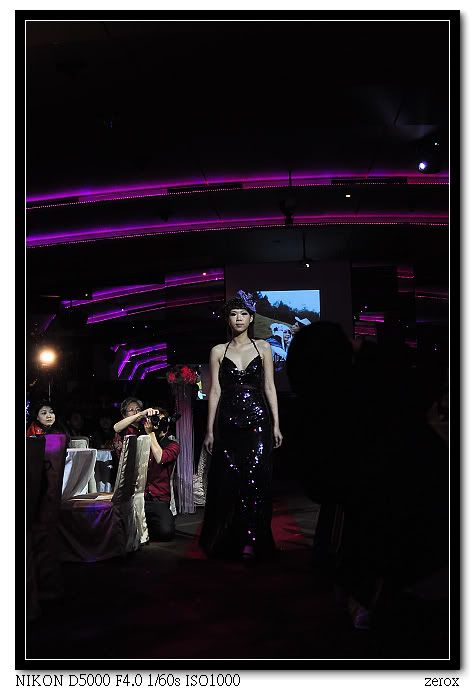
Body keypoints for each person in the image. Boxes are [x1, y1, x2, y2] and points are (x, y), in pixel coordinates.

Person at [200, 290, 283, 561]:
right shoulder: (218, 351)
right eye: (233, 314)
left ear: (251, 318)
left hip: (258, 421)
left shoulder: (264, 347)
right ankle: (229, 540)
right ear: (228, 319)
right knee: (228, 480)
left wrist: (276, 425)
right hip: (227, 422)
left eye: (243, 314)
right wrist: (209, 430)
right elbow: (214, 391)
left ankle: (253, 540)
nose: (238, 318)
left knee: (255, 479)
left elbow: (269, 386)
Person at [142, 407, 180, 541]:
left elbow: (161, 458)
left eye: (159, 420)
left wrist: (151, 434)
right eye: (154, 419)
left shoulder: (173, 445)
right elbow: (117, 428)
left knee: (166, 532)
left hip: (158, 499)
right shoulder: (143, 440)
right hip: (140, 497)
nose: (156, 423)